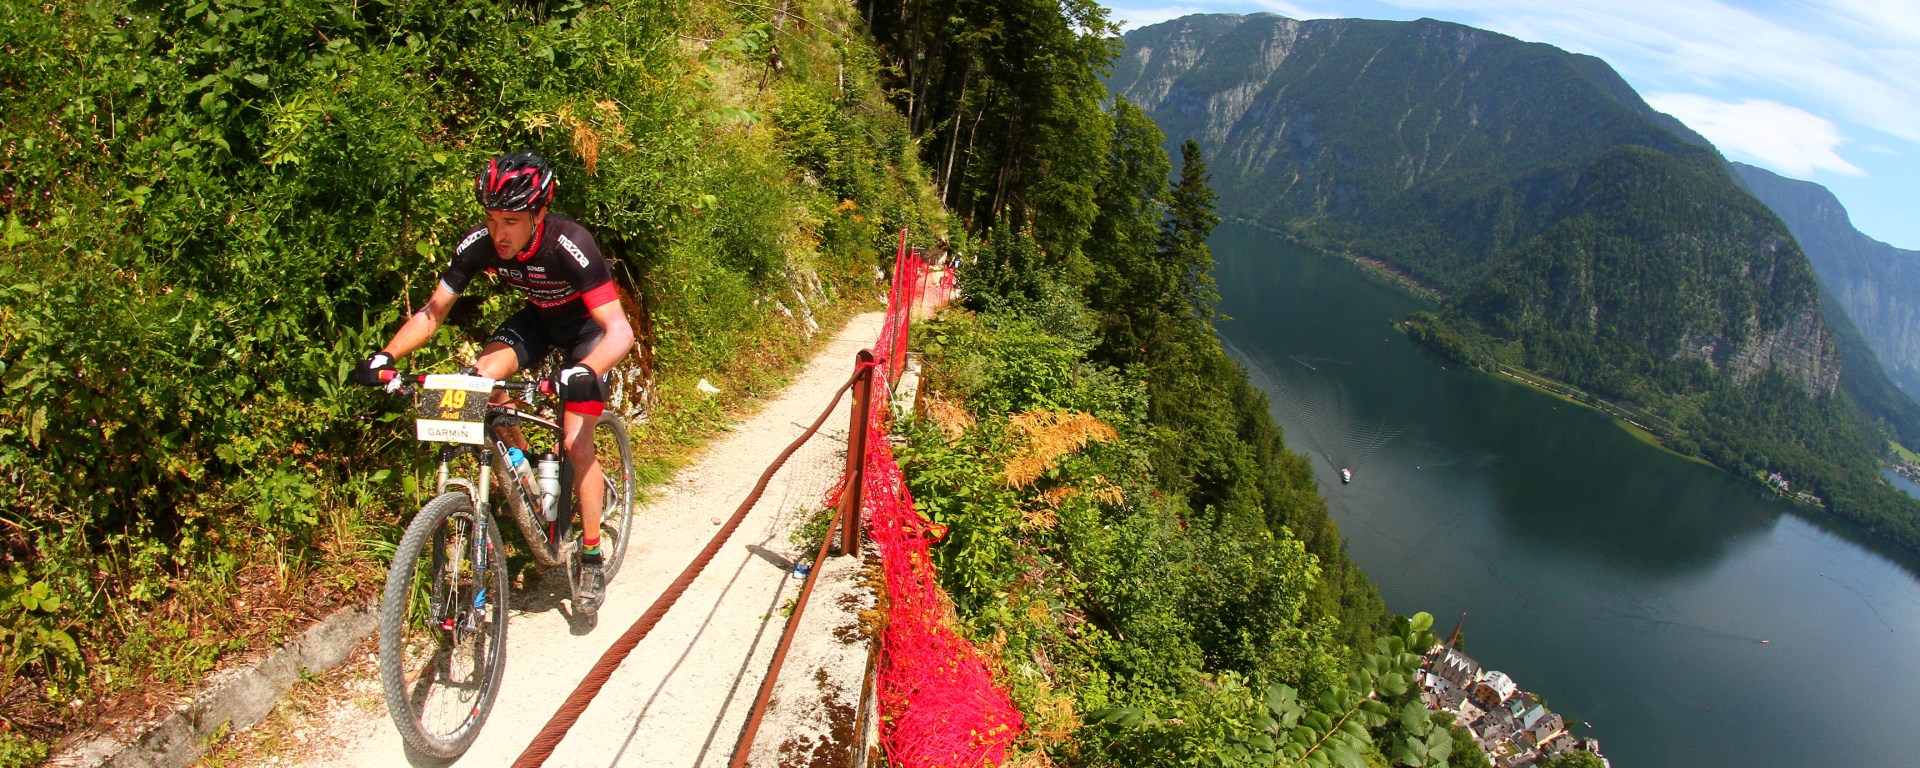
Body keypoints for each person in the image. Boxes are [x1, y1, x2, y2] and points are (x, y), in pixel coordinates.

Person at [352, 150, 633, 614]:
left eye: (511, 220)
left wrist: (586, 371)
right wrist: (386, 354)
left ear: (539, 214)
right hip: (540, 321)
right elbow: (431, 313)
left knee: (576, 440)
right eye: (491, 218)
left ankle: (589, 556)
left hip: (589, 332)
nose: (499, 233)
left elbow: (618, 329)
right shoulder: (479, 243)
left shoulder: (570, 243)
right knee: (482, 376)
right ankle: (522, 468)